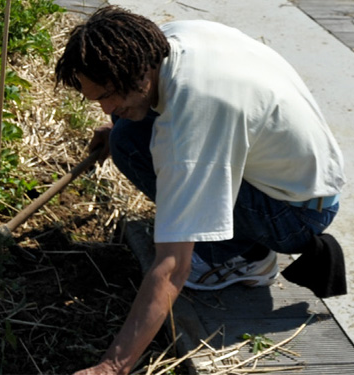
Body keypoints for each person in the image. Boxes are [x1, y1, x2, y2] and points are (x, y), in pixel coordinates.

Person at [55, 6, 347, 375]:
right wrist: (118, 119)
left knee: (141, 154)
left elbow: (173, 266)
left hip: (296, 212)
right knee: (127, 136)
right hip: (299, 174)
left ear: (139, 70)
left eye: (109, 95)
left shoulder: (196, 114)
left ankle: (241, 258)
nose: (106, 106)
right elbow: (142, 107)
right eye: (96, 98)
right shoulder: (169, 41)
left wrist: (113, 365)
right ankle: (236, 243)